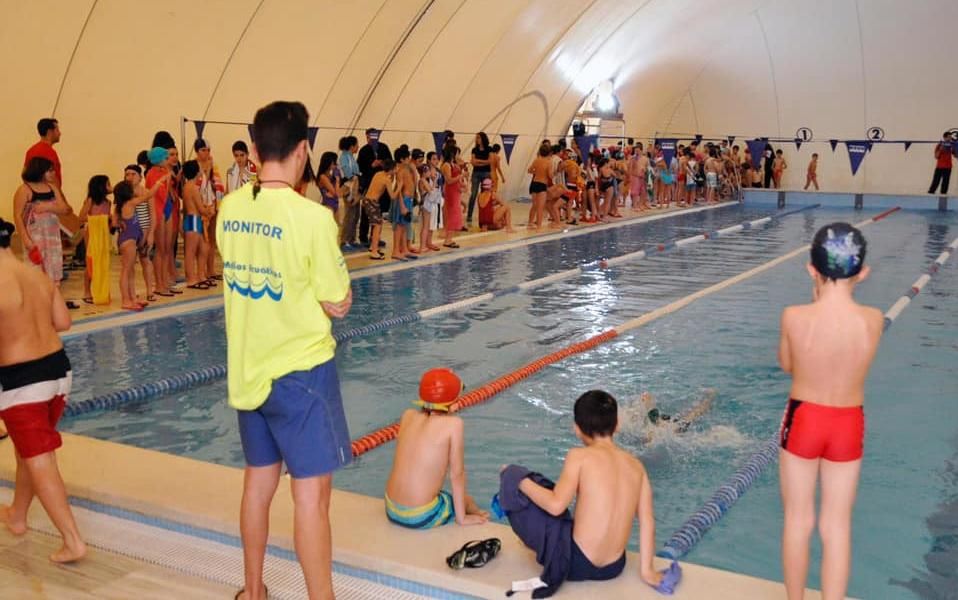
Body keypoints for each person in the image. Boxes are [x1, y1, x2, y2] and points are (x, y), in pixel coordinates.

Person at [217, 101, 353, 600]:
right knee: (311, 498)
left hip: (250, 370)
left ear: (253, 152)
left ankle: (253, 590)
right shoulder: (314, 218)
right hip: (302, 375)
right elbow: (337, 301)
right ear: (303, 150)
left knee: (258, 483)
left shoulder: (230, 208)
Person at [778, 223, 883, 600]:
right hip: (848, 423)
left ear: (811, 269)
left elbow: (787, 364)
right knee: (836, 526)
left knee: (798, 520)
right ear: (863, 272)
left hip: (805, 418)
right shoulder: (873, 321)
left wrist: (814, 299)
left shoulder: (794, 316)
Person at [498, 390, 666, 596]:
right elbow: (647, 521)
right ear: (617, 425)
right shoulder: (636, 466)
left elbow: (556, 505)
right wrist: (648, 571)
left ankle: (528, 535)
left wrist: (518, 480)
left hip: (576, 563)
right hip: (613, 567)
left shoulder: (579, 456)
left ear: (577, 429)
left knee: (519, 477)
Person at [0, 217, 86, 564]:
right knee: (28, 453)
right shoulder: (35, 273)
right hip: (59, 373)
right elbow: (64, 322)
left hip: (23, 384)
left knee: (40, 460)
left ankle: (73, 541)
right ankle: (18, 516)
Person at [384, 368, 489, 529]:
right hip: (420, 516)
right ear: (453, 405)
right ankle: (481, 516)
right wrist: (462, 518)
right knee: (466, 501)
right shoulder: (454, 425)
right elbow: (457, 475)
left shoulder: (408, 415)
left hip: (391, 508)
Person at [13, 158, 72, 288]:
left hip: (53, 237)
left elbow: (65, 209)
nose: (54, 173)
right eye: (50, 170)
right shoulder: (25, 190)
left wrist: (47, 207)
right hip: (35, 237)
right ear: (40, 171)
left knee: (53, 270)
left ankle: (52, 300)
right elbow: (17, 216)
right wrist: (26, 240)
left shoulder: (52, 187)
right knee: (35, 271)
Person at [114, 180, 162, 311]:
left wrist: (122, 223)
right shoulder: (130, 203)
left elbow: (114, 223)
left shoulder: (118, 207)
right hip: (128, 241)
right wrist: (158, 184)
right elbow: (148, 196)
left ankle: (132, 298)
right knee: (126, 271)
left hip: (126, 240)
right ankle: (125, 300)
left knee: (130, 271)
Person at [145, 147, 178, 298]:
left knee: (166, 248)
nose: (169, 160)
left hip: (168, 208)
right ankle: (158, 284)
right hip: (159, 211)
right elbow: (152, 194)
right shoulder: (152, 174)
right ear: (159, 160)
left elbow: (170, 192)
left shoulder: (166, 172)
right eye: (166, 158)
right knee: (160, 249)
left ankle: (165, 282)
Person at [78, 175, 113, 305]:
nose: (111, 186)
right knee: (91, 261)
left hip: (103, 235)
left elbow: (108, 219)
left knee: (102, 262)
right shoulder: (90, 201)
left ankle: (101, 290)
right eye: (108, 184)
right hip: (91, 233)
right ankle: (87, 291)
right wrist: (99, 220)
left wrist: (109, 220)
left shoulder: (108, 203)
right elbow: (81, 217)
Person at [125, 165, 157, 302]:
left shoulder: (147, 192)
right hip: (130, 233)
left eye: (133, 174)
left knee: (146, 261)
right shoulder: (124, 193)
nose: (130, 177)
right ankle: (132, 292)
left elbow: (153, 215)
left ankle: (150, 290)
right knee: (129, 264)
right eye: (127, 174)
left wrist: (151, 234)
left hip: (144, 233)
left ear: (140, 177)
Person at [194, 138, 225, 282]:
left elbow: (218, 185)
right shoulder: (194, 166)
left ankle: (211, 269)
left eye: (208, 150)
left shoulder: (214, 165)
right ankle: (201, 271)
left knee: (212, 239)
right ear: (197, 151)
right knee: (202, 240)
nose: (206, 153)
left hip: (213, 204)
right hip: (200, 206)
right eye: (203, 150)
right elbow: (195, 186)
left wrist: (217, 205)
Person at [180, 160, 213, 290]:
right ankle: (191, 279)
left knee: (203, 248)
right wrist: (208, 211)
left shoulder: (188, 186)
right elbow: (200, 208)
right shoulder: (192, 188)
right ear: (197, 172)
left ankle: (200, 275)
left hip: (194, 220)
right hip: (193, 220)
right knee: (191, 252)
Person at [357, 128, 392, 247]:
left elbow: (390, 164)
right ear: (366, 137)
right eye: (369, 137)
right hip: (368, 183)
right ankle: (363, 236)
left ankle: (375, 237)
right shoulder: (364, 151)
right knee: (367, 212)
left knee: (379, 213)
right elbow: (360, 168)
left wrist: (381, 163)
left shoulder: (383, 148)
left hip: (381, 185)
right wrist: (371, 165)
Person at [362, 160, 401, 260]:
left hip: (367, 200)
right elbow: (392, 196)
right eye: (396, 168)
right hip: (372, 202)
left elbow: (386, 183)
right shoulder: (386, 180)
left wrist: (393, 176)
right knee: (377, 226)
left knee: (377, 224)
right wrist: (400, 186)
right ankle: (374, 252)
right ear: (392, 169)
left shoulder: (379, 174)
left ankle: (373, 246)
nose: (397, 169)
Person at [24, 118, 64, 188]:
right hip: (48, 196)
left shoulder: (31, 151)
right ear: (50, 132)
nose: (60, 133)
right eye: (57, 130)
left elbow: (24, 174)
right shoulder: (49, 152)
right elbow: (53, 180)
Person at [337, 136, 361, 248]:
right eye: (357, 145)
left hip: (355, 187)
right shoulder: (344, 157)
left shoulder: (351, 157)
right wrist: (352, 177)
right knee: (349, 214)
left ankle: (352, 239)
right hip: (348, 188)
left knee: (356, 214)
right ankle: (344, 240)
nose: (358, 147)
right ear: (352, 146)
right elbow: (347, 172)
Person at [441, 145, 465, 248]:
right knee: (451, 213)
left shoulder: (453, 164)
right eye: (457, 153)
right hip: (450, 191)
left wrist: (462, 185)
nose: (458, 155)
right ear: (452, 153)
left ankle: (449, 238)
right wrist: (461, 176)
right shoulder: (446, 165)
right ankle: (447, 240)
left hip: (455, 191)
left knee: (455, 213)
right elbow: (449, 180)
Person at [418, 152, 442, 253]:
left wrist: (435, 180)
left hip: (430, 202)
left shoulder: (425, 179)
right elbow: (430, 191)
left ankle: (427, 243)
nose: (436, 161)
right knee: (426, 226)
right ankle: (422, 246)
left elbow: (432, 189)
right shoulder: (423, 180)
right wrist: (434, 180)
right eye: (433, 159)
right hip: (427, 204)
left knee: (430, 224)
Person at [467, 132, 492, 227]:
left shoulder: (489, 149)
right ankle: (469, 215)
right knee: (473, 194)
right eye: (476, 138)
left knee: (484, 195)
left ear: (483, 139)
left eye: (478, 138)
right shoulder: (474, 149)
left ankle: (483, 215)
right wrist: (483, 162)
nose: (477, 140)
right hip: (476, 173)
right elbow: (473, 162)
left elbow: (490, 161)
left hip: (486, 173)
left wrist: (479, 161)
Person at [315, 151, 341, 224]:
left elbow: (336, 193)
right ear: (329, 163)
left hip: (335, 204)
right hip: (328, 205)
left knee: (336, 229)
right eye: (334, 163)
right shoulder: (323, 177)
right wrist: (337, 180)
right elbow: (335, 193)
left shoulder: (330, 175)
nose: (335, 165)